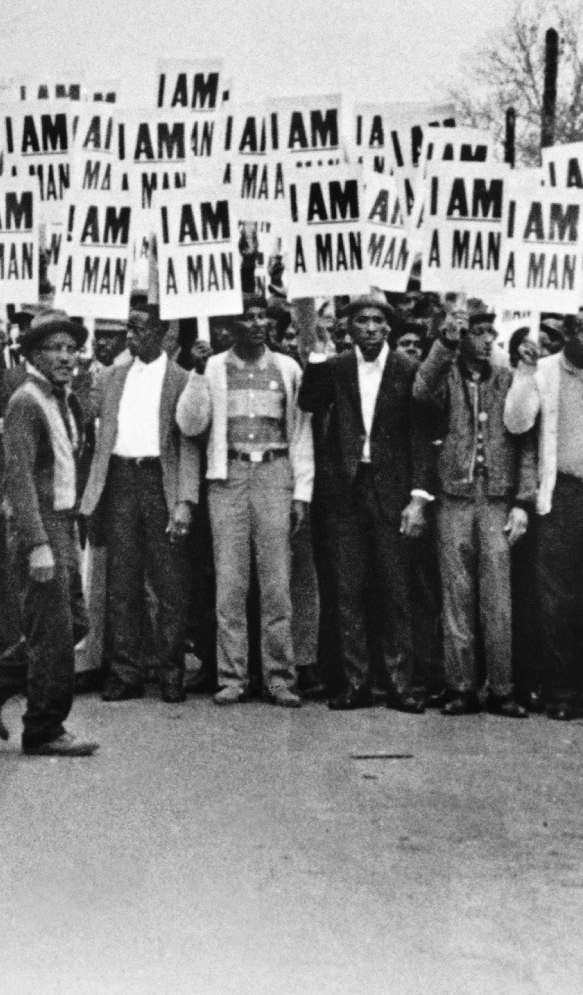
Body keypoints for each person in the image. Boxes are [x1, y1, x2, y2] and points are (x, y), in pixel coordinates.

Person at [0, 310, 99, 757]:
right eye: (54, 349)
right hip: (38, 528)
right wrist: (38, 543)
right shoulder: (26, 401)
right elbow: (17, 476)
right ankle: (44, 728)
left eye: (70, 348)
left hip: (60, 523)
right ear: (33, 355)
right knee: (55, 633)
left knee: (71, 623)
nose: (65, 356)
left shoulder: (61, 397)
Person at [176, 293, 313, 707]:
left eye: (262, 318)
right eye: (247, 318)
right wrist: (197, 373)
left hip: (274, 471)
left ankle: (278, 677)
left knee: (276, 583)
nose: (257, 324)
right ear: (232, 326)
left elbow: (300, 432)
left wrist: (301, 490)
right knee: (230, 582)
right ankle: (232, 675)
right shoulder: (213, 366)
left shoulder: (287, 367)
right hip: (228, 475)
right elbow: (189, 423)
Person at [300, 294, 433, 712]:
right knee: (348, 590)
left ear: (389, 327)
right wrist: (319, 356)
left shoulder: (409, 369)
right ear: (350, 329)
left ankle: (399, 684)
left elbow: (421, 439)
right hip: (346, 492)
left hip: (392, 493)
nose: (371, 328)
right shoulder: (337, 366)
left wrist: (418, 498)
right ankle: (355, 683)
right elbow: (309, 402)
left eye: (378, 321)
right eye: (362, 322)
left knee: (396, 591)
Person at [505, 308, 583, 726]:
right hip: (560, 497)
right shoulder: (541, 371)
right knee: (556, 600)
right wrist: (523, 372)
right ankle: (560, 692)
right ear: (570, 335)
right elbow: (517, 422)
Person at [77, 300, 201, 703]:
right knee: (122, 582)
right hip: (120, 480)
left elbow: (189, 444)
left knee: (169, 584)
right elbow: (86, 419)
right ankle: (125, 672)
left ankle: (170, 672)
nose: (130, 336)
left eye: (138, 328)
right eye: (129, 328)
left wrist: (185, 500)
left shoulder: (182, 378)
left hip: (158, 482)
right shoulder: (112, 376)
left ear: (163, 333)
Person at [414, 299, 533, 717]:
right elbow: (420, 389)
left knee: (498, 597)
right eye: (479, 334)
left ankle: (501, 687)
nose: (488, 341)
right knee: (456, 594)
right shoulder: (444, 373)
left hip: (496, 498)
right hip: (454, 497)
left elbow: (525, 439)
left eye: (491, 334)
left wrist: (523, 501)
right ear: (464, 337)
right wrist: (446, 341)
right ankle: (459, 686)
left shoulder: (507, 378)